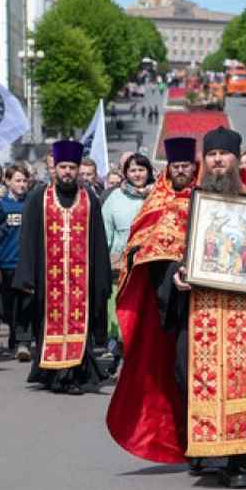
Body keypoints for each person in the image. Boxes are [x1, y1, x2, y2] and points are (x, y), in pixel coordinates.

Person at [106, 132, 246, 489]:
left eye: (225, 154)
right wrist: (175, 277)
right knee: (190, 378)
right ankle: (202, 450)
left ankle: (237, 461)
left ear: (237, 159)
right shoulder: (182, 204)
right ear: (203, 161)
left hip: (243, 309)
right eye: (212, 154)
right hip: (197, 310)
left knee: (242, 382)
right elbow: (154, 253)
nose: (218, 161)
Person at [12, 140, 112, 394]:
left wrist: (101, 277)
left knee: (81, 326)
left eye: (71, 167)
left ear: (78, 169)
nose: (67, 171)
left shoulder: (89, 198)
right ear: (54, 168)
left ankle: (74, 375)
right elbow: (28, 238)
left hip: (82, 279)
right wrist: (26, 275)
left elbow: (99, 240)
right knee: (48, 326)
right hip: (48, 279)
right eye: (63, 167)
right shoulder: (39, 198)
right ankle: (54, 375)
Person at [101, 153, 155, 367]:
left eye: (141, 169)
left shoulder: (159, 195)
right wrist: (108, 259)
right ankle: (119, 355)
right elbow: (106, 231)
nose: (137, 174)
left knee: (146, 316)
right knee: (120, 314)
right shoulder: (114, 198)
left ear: (148, 171)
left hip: (151, 265)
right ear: (126, 173)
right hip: (120, 266)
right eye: (132, 170)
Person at [0, 164, 32, 361]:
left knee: (26, 304)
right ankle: (15, 338)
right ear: (7, 182)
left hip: (25, 264)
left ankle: (23, 342)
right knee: (8, 306)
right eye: (17, 180)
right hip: (5, 263)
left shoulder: (31, 204)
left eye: (25, 180)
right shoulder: (0, 205)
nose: (22, 184)